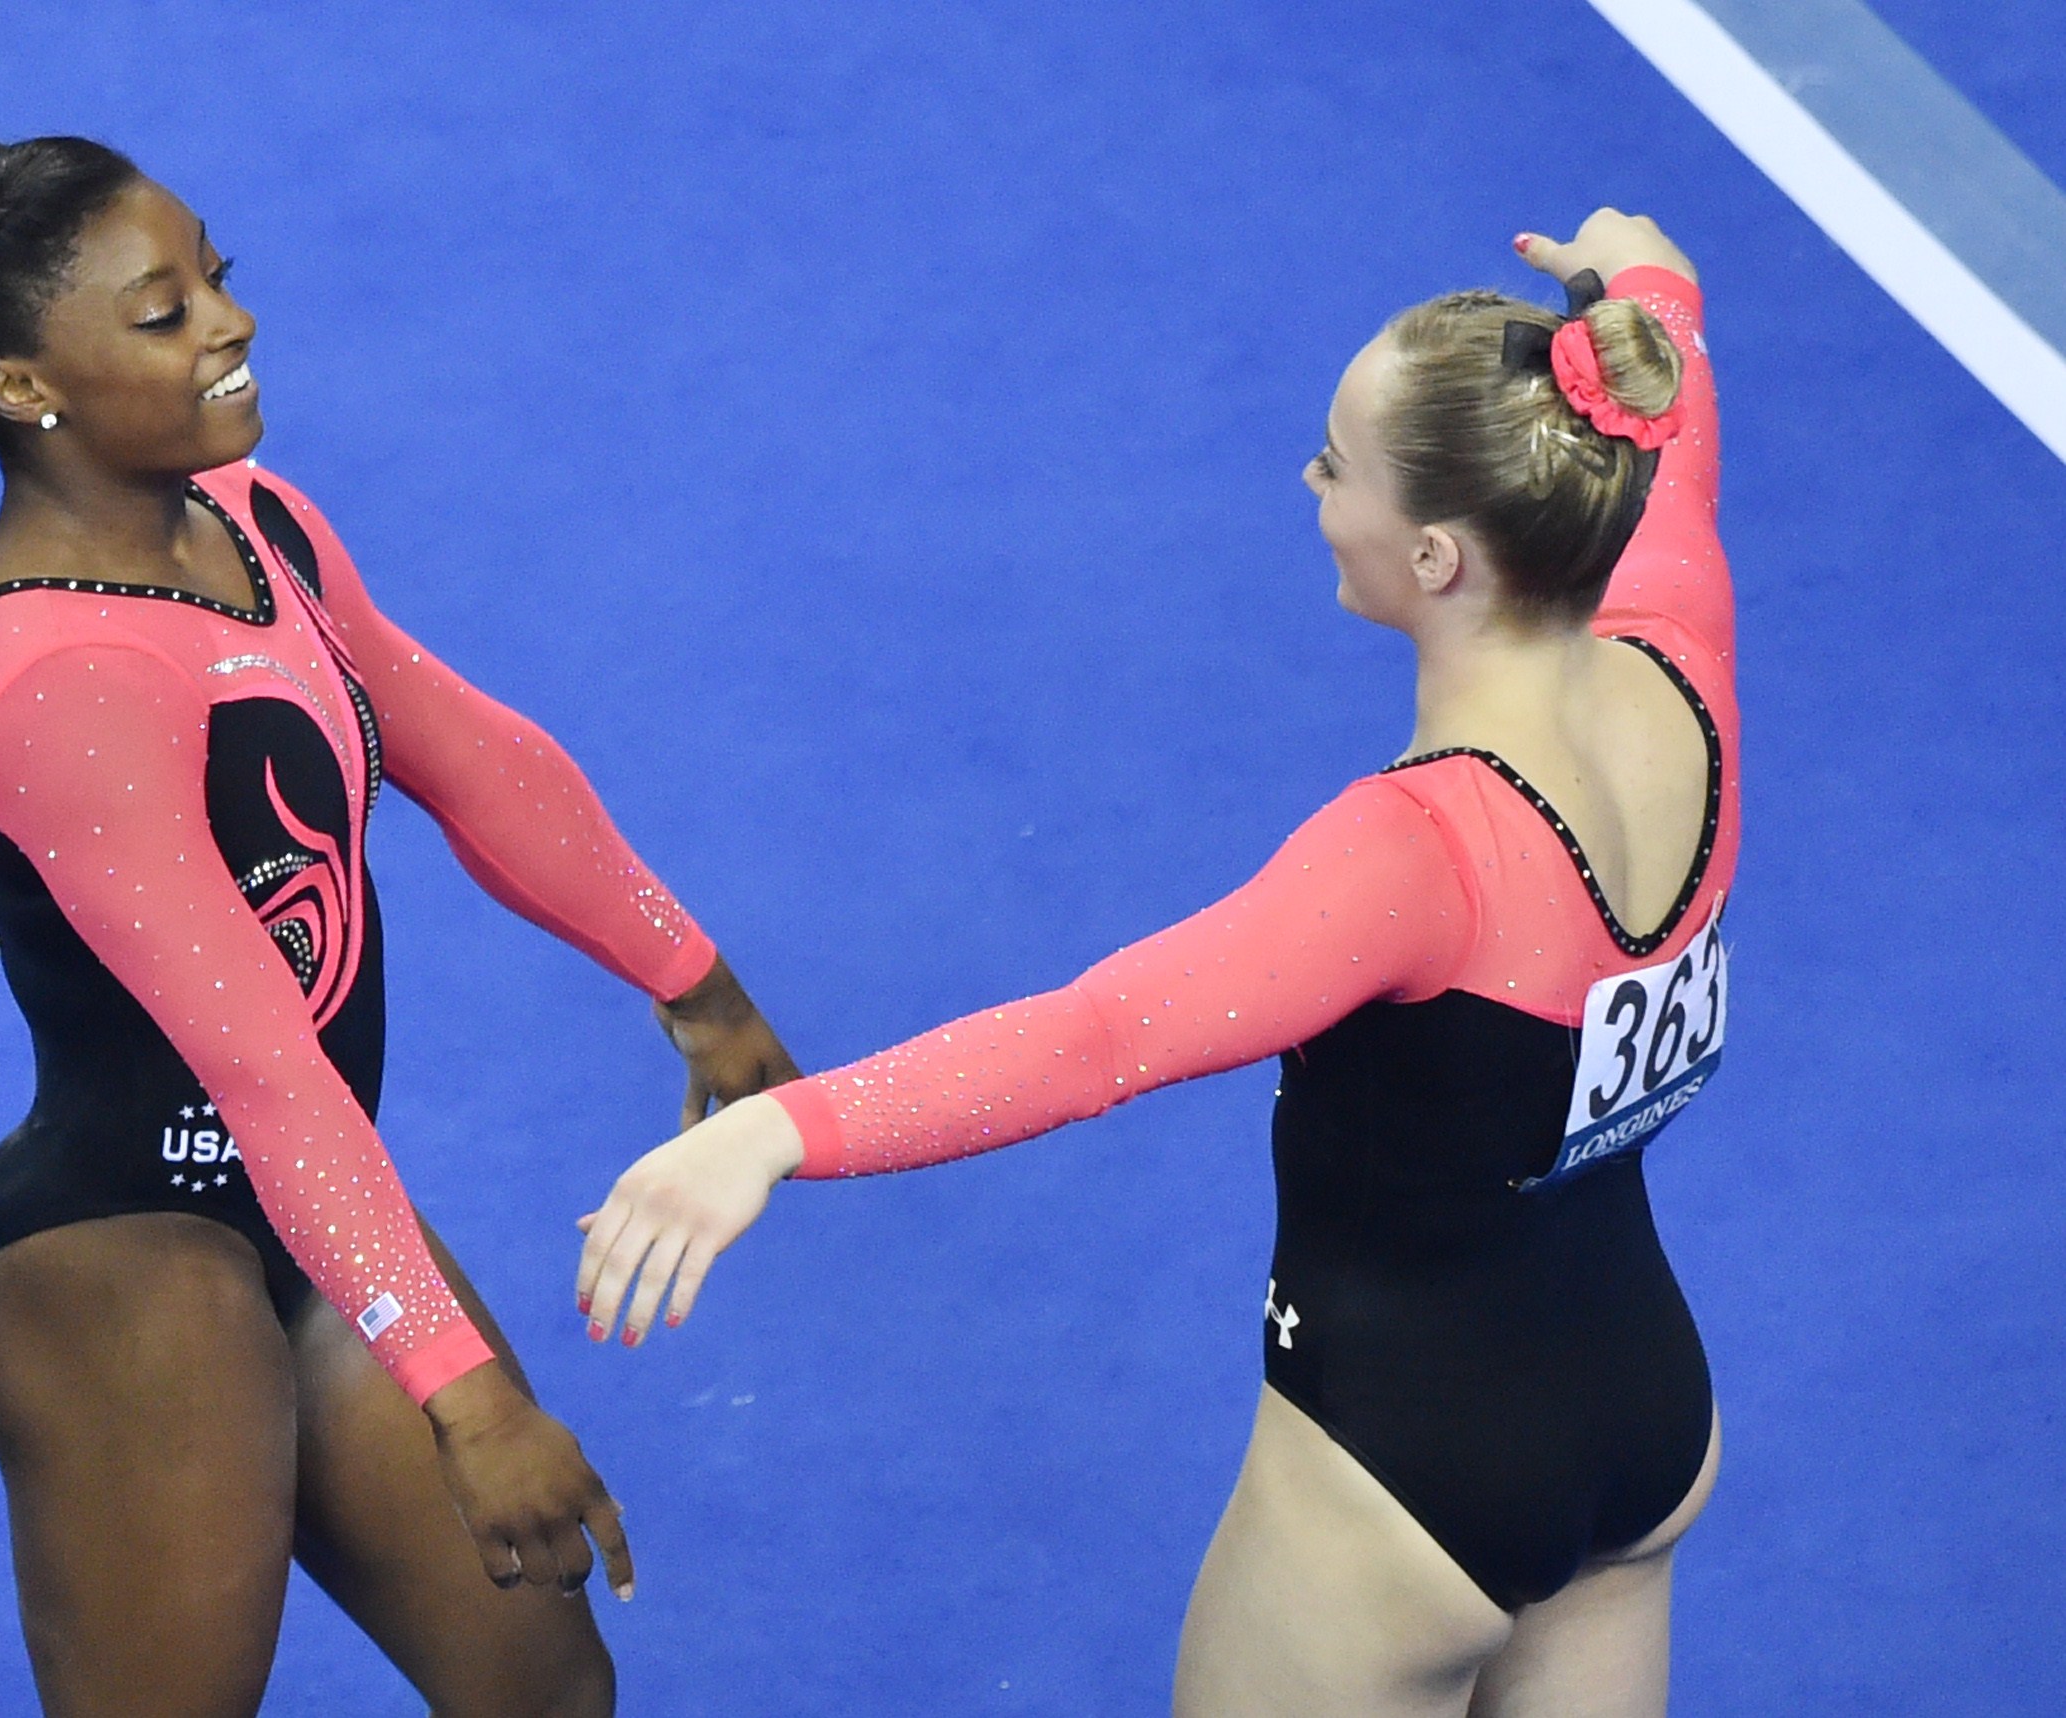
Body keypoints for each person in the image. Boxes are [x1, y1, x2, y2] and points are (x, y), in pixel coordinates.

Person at [577, 209, 1733, 1717]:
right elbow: (1665, 387)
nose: (1313, 489)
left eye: (1338, 467)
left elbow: (1093, 1035)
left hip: (1402, 1492)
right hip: (1640, 1414)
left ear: (1436, 555)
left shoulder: (1416, 858)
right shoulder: (1680, 643)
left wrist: (779, 1128)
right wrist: (1641, 283)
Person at [0, 130, 799, 1718]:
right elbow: (257, 1065)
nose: (231, 322)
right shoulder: (56, 681)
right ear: (25, 388)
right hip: (120, 1259)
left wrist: (688, 976)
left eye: (216, 274)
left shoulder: (251, 519)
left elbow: (455, 740)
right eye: (163, 313)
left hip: (304, 1213)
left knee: (542, 1687)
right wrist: (472, 1398)